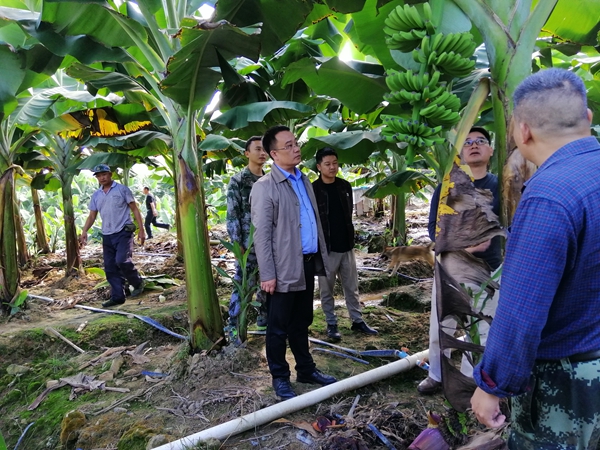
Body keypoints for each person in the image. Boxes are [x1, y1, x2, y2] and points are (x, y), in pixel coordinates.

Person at [470, 69, 600, 447]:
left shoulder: (550, 195)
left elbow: (521, 310)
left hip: (570, 379)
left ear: (522, 131)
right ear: (587, 117)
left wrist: (492, 384)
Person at [251, 125, 337, 400]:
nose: (296, 148)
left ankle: (306, 369)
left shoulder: (304, 181)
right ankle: (280, 377)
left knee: (302, 321)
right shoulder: (265, 187)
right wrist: (267, 274)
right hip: (282, 268)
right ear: (274, 154)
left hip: (307, 263)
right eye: (288, 146)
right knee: (278, 326)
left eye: (296, 143)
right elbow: (262, 235)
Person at [417, 127, 502, 394]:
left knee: (482, 328)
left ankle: (469, 381)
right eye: (467, 142)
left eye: (481, 141)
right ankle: (437, 375)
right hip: (450, 266)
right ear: (460, 153)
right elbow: (434, 228)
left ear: (490, 150)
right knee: (441, 325)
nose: (474, 145)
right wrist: (466, 243)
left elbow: (507, 225)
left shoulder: (501, 186)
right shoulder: (448, 186)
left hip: (487, 269)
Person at [312, 147, 377, 341]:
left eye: (335, 163)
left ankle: (357, 320)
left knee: (351, 287)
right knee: (326, 290)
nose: (332, 167)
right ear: (319, 167)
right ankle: (331, 324)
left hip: (346, 246)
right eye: (327, 164)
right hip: (326, 248)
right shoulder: (314, 190)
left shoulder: (344, 186)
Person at [79, 164, 146, 307]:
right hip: (107, 234)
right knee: (110, 267)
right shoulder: (96, 195)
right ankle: (118, 297)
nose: (102, 178)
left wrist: (141, 229)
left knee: (122, 260)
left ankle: (137, 282)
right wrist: (84, 231)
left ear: (110, 174)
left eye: (104, 174)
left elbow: (135, 209)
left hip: (123, 231)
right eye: (98, 176)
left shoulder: (122, 190)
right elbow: (92, 216)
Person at [226, 136, 269, 337]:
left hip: (267, 242)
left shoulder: (270, 180)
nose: (262, 153)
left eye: (264, 149)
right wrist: (236, 243)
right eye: (257, 149)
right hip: (247, 243)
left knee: (267, 283)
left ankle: (264, 320)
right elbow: (232, 214)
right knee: (244, 284)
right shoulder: (238, 181)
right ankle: (234, 326)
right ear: (247, 153)